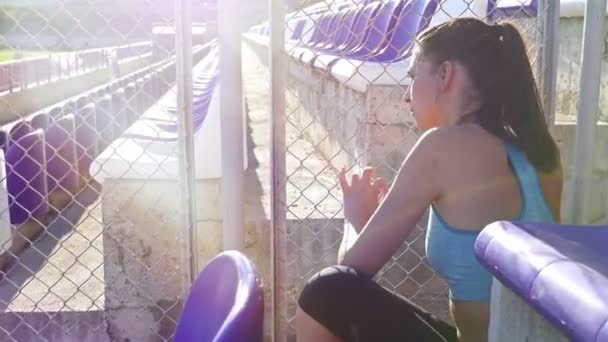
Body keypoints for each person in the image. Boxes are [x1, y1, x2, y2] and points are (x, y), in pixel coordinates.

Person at [295, 17, 563, 342]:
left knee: (324, 291)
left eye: (412, 76)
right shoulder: (539, 151)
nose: (406, 96)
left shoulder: (441, 147)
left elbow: (349, 273)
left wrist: (355, 218)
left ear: (445, 75)